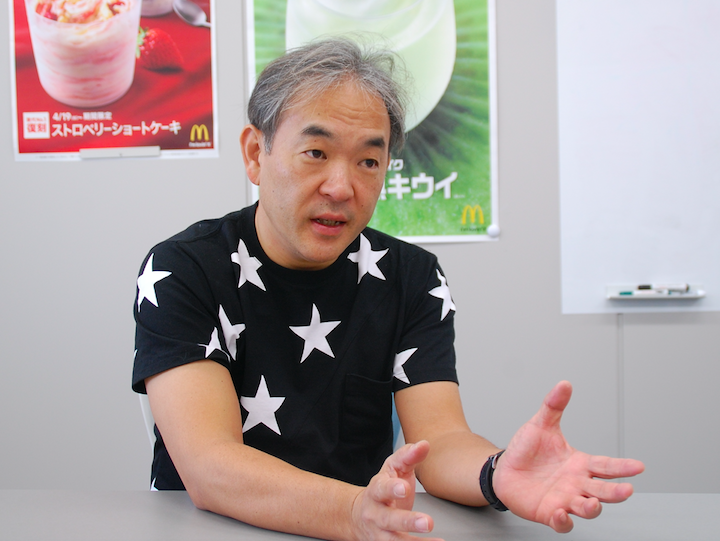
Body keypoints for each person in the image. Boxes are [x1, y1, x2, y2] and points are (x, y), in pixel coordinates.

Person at [132, 37, 644, 541]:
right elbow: (210, 465)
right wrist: (351, 513)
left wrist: (496, 473)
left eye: (368, 162)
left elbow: (440, 438)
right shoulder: (186, 270)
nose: (341, 187)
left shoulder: (410, 277)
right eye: (315, 152)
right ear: (254, 154)